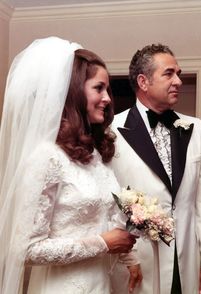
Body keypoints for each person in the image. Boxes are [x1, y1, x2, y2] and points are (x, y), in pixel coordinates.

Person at [0, 36, 143, 294]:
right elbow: (26, 249)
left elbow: (103, 217)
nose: (108, 98)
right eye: (98, 88)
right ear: (75, 92)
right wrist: (102, 244)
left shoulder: (96, 154)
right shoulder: (47, 157)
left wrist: (128, 258)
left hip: (104, 282)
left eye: (107, 90)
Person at [110, 43, 201, 294]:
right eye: (169, 73)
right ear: (143, 81)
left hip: (185, 258)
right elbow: (105, 202)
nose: (178, 81)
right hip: (138, 261)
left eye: (179, 73)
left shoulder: (195, 129)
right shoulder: (111, 130)